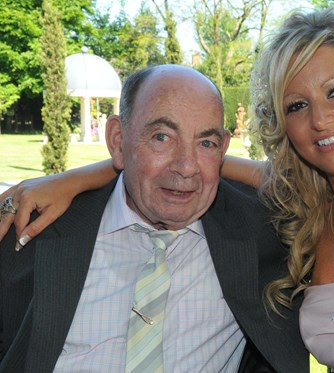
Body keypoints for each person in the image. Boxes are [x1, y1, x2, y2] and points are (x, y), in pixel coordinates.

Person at [0, 10, 334, 372]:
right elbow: (203, 167)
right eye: (296, 105)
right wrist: (76, 178)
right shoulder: (302, 211)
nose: (321, 119)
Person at [0, 65, 308, 372]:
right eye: (162, 137)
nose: (186, 167)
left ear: (223, 148)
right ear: (118, 140)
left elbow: (318, 190)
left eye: (206, 143)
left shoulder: (265, 229)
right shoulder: (33, 228)